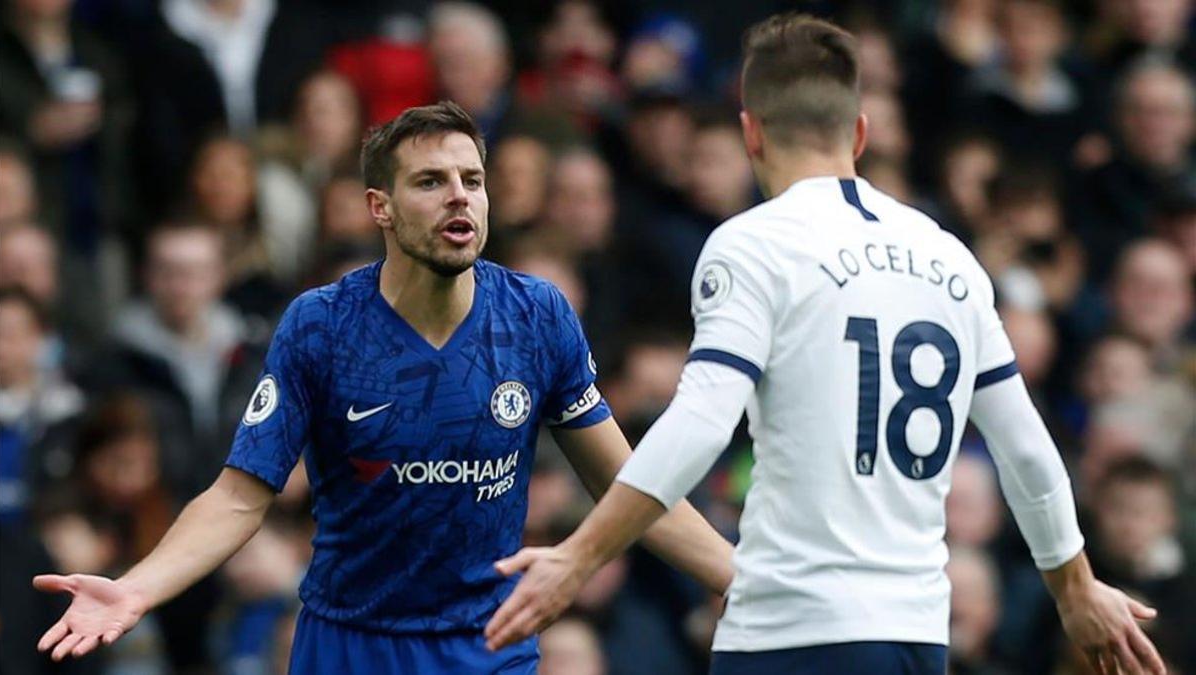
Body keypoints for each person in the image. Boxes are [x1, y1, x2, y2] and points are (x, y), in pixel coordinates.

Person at [483, 14, 1167, 675]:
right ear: (860, 132)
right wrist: (1075, 585)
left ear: (750, 133)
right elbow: (1026, 447)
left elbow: (698, 423)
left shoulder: (754, 245)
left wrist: (577, 556)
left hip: (793, 633)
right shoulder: (950, 257)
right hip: (918, 637)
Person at [33, 101, 734, 672]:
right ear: (381, 207)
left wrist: (742, 576)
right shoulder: (321, 325)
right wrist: (136, 588)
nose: (459, 195)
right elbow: (238, 497)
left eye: (473, 179)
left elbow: (635, 486)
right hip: (349, 646)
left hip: (488, 645)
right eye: (430, 181)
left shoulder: (537, 314)